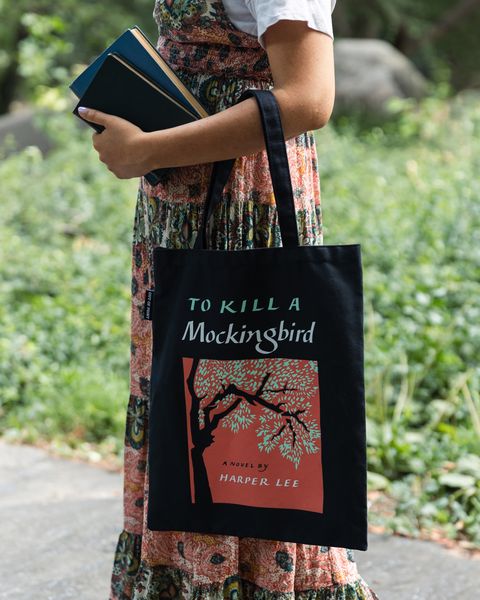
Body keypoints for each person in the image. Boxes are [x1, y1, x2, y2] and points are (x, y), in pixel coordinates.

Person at [77, 0, 380, 598]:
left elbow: (308, 99)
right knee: (183, 403)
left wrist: (148, 151)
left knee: (239, 406)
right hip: (179, 206)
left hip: (246, 201)